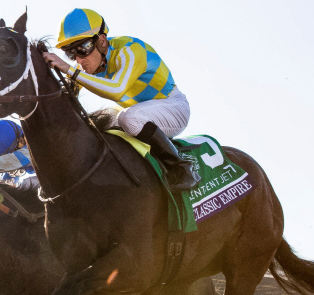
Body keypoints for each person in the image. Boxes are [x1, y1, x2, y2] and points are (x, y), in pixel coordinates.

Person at [43, 9, 200, 192]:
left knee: (128, 117)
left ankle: (182, 168)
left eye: (82, 49)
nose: (79, 59)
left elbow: (116, 90)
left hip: (173, 108)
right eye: (70, 54)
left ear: (102, 40)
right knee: (98, 120)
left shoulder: (131, 50)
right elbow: (65, 101)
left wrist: (69, 69)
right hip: (143, 113)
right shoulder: (88, 65)